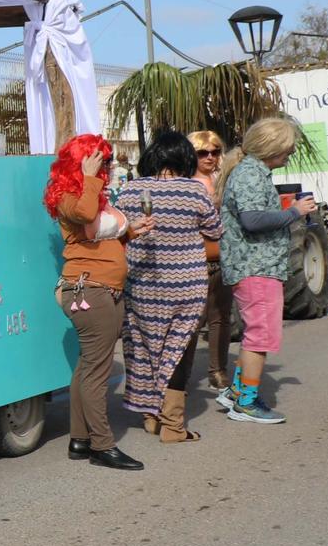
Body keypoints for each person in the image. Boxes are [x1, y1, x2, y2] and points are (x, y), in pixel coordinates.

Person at [46, 133, 153, 470]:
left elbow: (101, 234)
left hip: (104, 289)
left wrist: (131, 229)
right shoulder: (69, 195)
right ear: (82, 161)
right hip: (89, 291)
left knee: (88, 367)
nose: (106, 165)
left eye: (106, 160)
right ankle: (102, 446)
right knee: (97, 372)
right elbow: (83, 213)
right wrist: (90, 177)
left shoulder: (95, 193)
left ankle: (80, 440)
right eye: (100, 159)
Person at [116, 131, 222, 443]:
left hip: (141, 285)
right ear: (185, 159)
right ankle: (173, 425)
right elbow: (216, 232)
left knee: (145, 349)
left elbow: (117, 230)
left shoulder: (129, 191)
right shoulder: (194, 191)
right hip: (185, 286)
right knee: (177, 352)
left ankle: (150, 417)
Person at [216, 117, 315, 425]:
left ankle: (237, 391)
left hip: (256, 266)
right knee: (261, 336)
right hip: (256, 267)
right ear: (270, 147)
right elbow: (252, 220)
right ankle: (246, 402)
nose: (289, 154)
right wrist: (293, 212)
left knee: (257, 333)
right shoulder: (250, 175)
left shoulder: (251, 171)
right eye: (286, 148)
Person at [190, 130, 234, 393]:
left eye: (215, 151)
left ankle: (218, 370)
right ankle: (181, 375)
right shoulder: (188, 184)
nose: (210, 157)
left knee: (221, 318)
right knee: (193, 322)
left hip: (223, 258)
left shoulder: (222, 181)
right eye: (202, 152)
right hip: (197, 261)